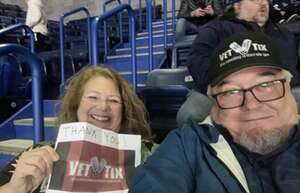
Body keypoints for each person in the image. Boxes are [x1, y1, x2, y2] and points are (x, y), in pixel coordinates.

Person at [128, 32, 300, 193]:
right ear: (215, 106)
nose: (252, 104)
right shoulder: (188, 146)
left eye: (265, 85)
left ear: (287, 85)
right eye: (231, 92)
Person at [0, 66, 157, 193]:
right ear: (76, 106)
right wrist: (15, 188)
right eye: (92, 97)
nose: (103, 106)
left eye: (114, 100)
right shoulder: (40, 153)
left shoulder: (152, 156)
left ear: (124, 112)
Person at [177, 0, 300, 126]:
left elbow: (292, 69)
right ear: (237, 6)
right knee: (190, 114)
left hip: (274, 91)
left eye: (265, 0)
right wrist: (217, 86)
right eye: (255, 0)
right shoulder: (217, 28)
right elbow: (197, 58)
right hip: (226, 90)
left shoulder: (283, 33)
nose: (263, 3)